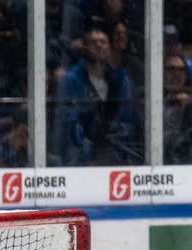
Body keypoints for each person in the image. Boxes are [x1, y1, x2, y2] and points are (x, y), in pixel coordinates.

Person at [53, 26, 139, 166]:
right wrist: (87, 158)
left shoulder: (121, 80)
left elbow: (126, 119)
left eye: (103, 42)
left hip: (114, 155)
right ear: (84, 48)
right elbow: (69, 123)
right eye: (93, 42)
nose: (98, 45)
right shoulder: (70, 79)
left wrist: (125, 156)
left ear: (110, 48)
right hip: (80, 160)